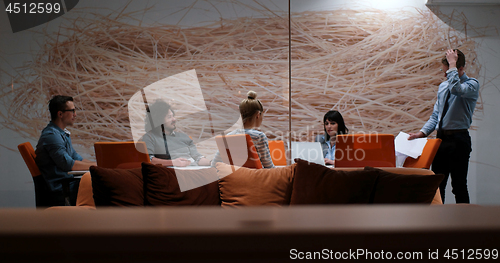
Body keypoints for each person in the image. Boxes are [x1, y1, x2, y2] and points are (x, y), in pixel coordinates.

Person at [408, 49, 479, 204]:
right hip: (441, 139)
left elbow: (456, 89)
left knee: (459, 185)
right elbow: (436, 116)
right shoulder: (443, 86)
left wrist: (452, 63)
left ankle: (465, 225)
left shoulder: (471, 84)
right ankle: (437, 223)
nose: (444, 75)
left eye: (447, 72)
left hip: (459, 140)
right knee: (437, 185)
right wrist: (421, 133)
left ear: (460, 69)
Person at [35, 95, 96, 206]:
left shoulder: (61, 134)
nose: (75, 114)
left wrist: (100, 165)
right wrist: (98, 167)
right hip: (61, 188)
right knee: (101, 186)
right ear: (60, 114)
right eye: (72, 110)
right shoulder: (52, 136)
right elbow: (69, 164)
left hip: (67, 184)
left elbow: (77, 158)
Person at [212, 91, 275, 168]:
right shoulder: (259, 136)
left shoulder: (228, 137)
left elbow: (214, 164)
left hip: (234, 178)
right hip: (255, 179)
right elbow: (269, 167)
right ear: (258, 115)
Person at [141, 100, 211, 167]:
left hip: (195, 171)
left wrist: (212, 163)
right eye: (169, 117)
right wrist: (173, 163)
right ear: (159, 120)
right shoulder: (150, 137)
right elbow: (149, 160)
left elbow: (198, 158)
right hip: (173, 173)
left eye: (173, 116)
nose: (174, 119)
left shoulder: (184, 137)